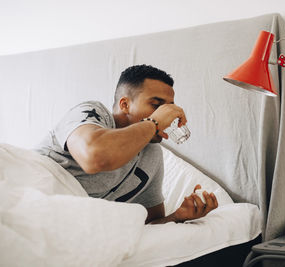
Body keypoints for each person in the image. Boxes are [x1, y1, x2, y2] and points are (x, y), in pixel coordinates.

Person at [35, 64, 218, 224]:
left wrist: (178, 216)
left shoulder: (152, 155)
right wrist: (153, 123)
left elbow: (150, 224)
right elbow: (95, 157)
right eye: (157, 105)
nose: (168, 115)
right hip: (28, 196)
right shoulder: (93, 112)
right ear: (125, 105)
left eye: (170, 107)